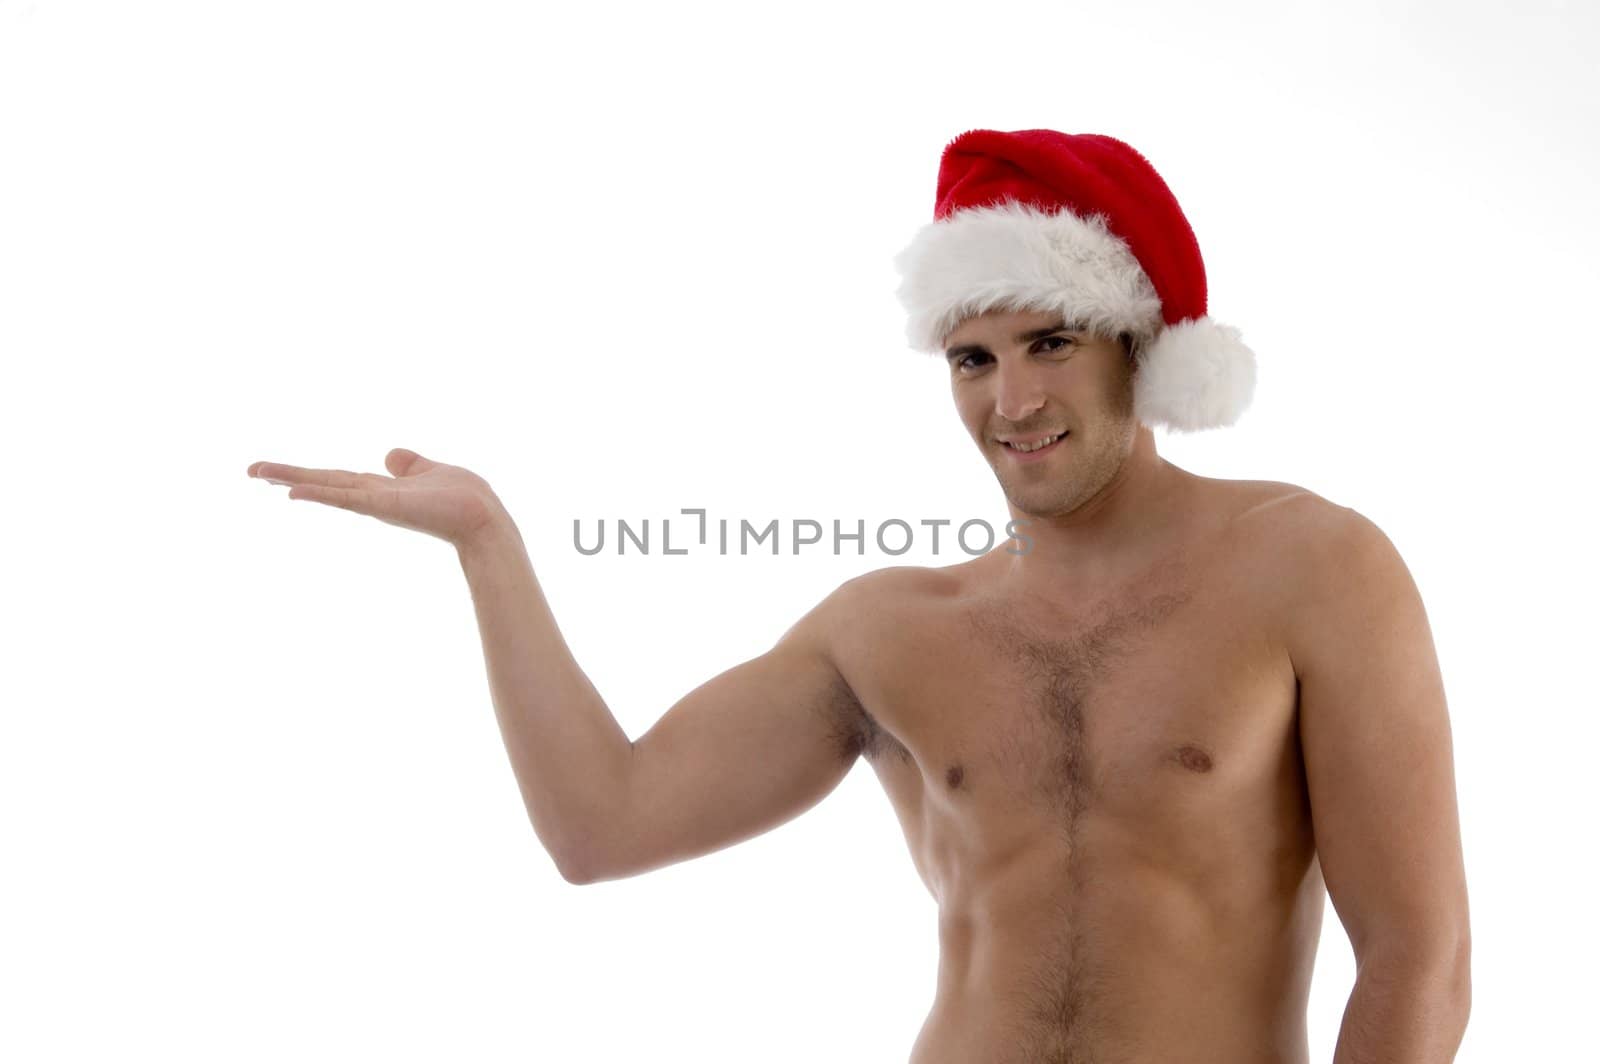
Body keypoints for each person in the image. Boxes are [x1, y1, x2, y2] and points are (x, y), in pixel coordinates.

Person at [246, 129, 1471, 1063]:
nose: (1012, 401)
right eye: (972, 358)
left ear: (1138, 346)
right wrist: (488, 548)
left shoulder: (1310, 564)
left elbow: (1420, 952)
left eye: (1051, 342)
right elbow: (601, 824)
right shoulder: (889, 627)